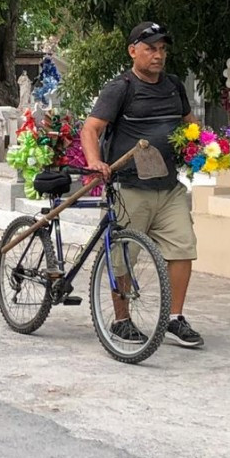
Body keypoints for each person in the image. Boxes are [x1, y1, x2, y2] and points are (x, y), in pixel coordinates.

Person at [80, 21, 204, 348]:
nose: (158, 55)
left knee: (183, 248)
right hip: (130, 187)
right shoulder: (120, 88)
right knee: (123, 255)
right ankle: (121, 320)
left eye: (162, 49)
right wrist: (95, 162)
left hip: (168, 187)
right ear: (133, 51)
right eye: (150, 48)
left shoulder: (174, 86)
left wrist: (203, 148)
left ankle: (174, 318)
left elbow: (190, 126)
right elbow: (90, 129)